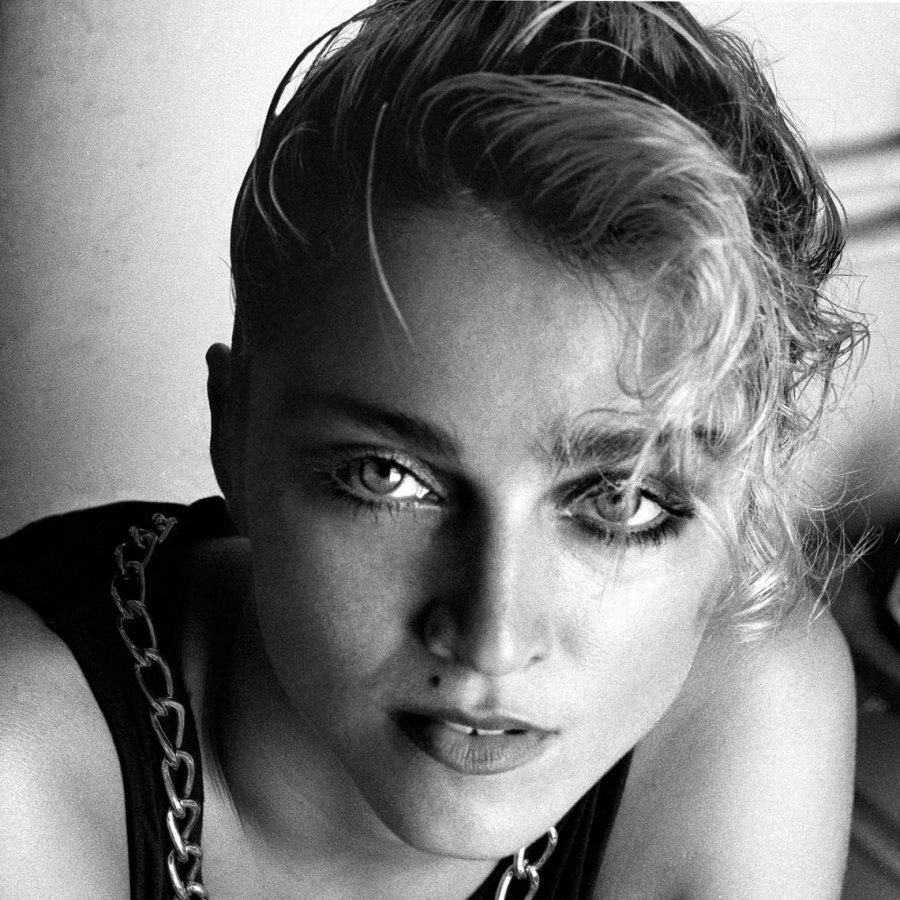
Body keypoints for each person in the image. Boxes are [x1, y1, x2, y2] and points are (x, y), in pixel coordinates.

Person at [0, 2, 867, 898]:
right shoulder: (18, 765)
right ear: (237, 429)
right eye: (387, 478)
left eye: (622, 499)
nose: (491, 641)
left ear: (742, 496)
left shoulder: (746, 713)